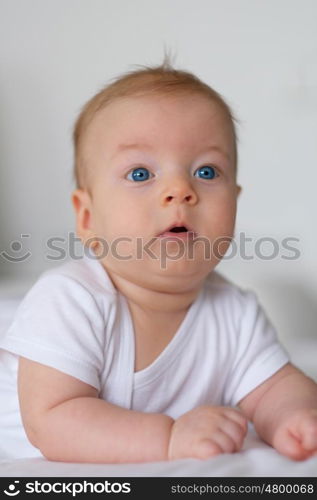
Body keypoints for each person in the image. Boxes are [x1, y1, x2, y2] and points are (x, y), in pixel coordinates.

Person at [0, 58, 316, 463]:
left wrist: (297, 415)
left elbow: (275, 387)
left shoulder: (236, 312)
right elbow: (52, 422)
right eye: (139, 174)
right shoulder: (70, 299)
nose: (179, 190)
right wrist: (168, 439)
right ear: (87, 217)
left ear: (234, 203)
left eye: (206, 171)